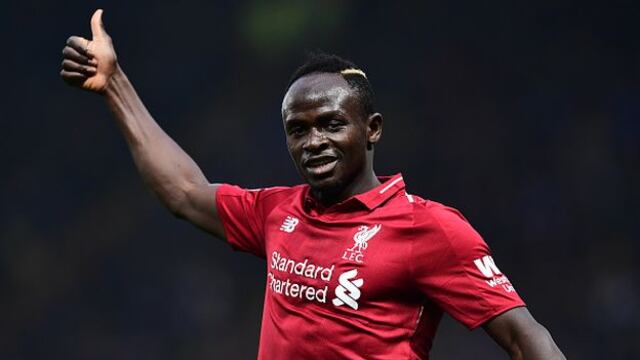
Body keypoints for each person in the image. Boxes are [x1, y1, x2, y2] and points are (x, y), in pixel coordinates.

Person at [60, 9, 566, 360]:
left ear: (372, 129)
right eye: (297, 130)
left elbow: (527, 341)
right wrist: (115, 85)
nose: (313, 142)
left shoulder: (429, 228)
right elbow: (184, 191)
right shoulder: (278, 212)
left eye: (330, 123)